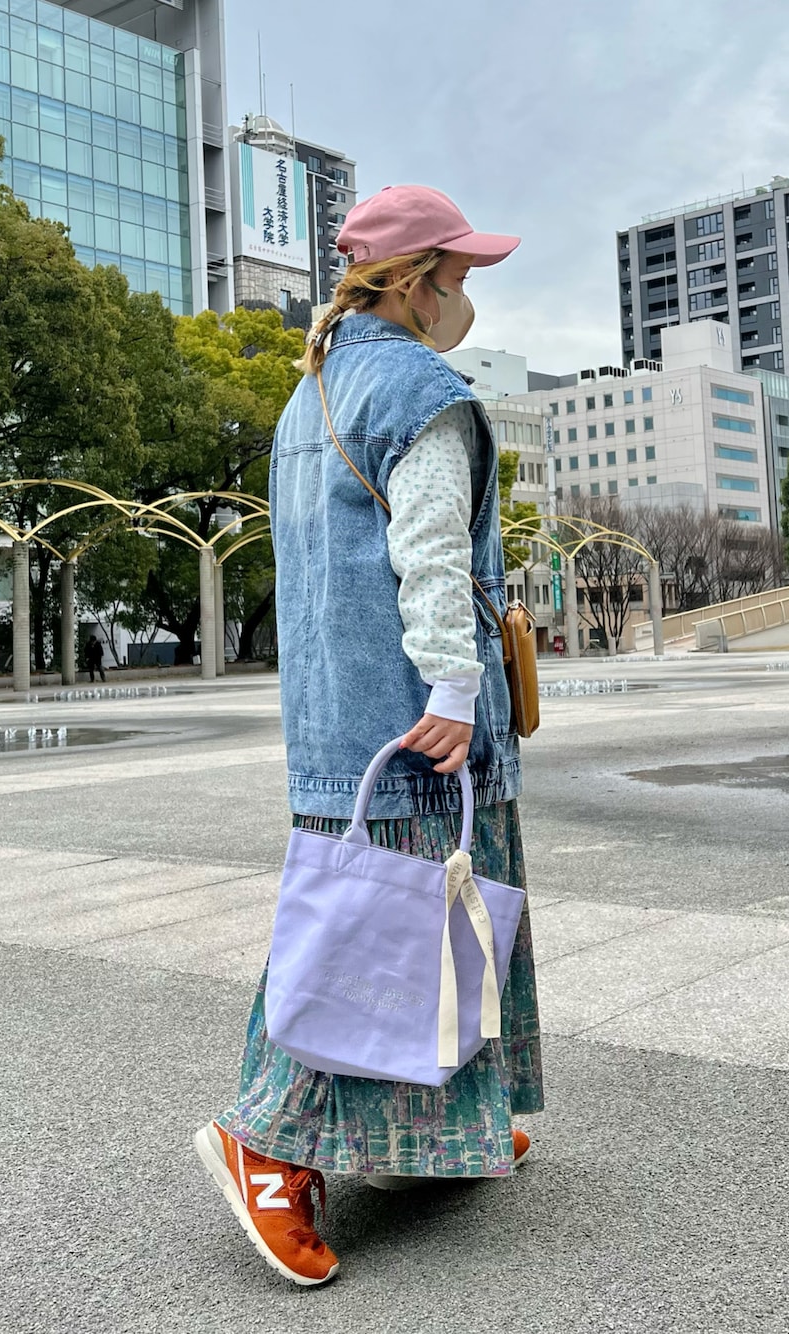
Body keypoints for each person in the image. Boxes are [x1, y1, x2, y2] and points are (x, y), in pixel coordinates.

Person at [194, 185, 543, 1286]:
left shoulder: (312, 391)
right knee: (374, 933)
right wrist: (453, 683)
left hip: (333, 710)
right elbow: (430, 551)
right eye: (459, 275)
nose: (465, 296)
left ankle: (430, 1134)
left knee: (397, 917)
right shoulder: (421, 392)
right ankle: (265, 1144)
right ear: (412, 281)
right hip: (410, 714)